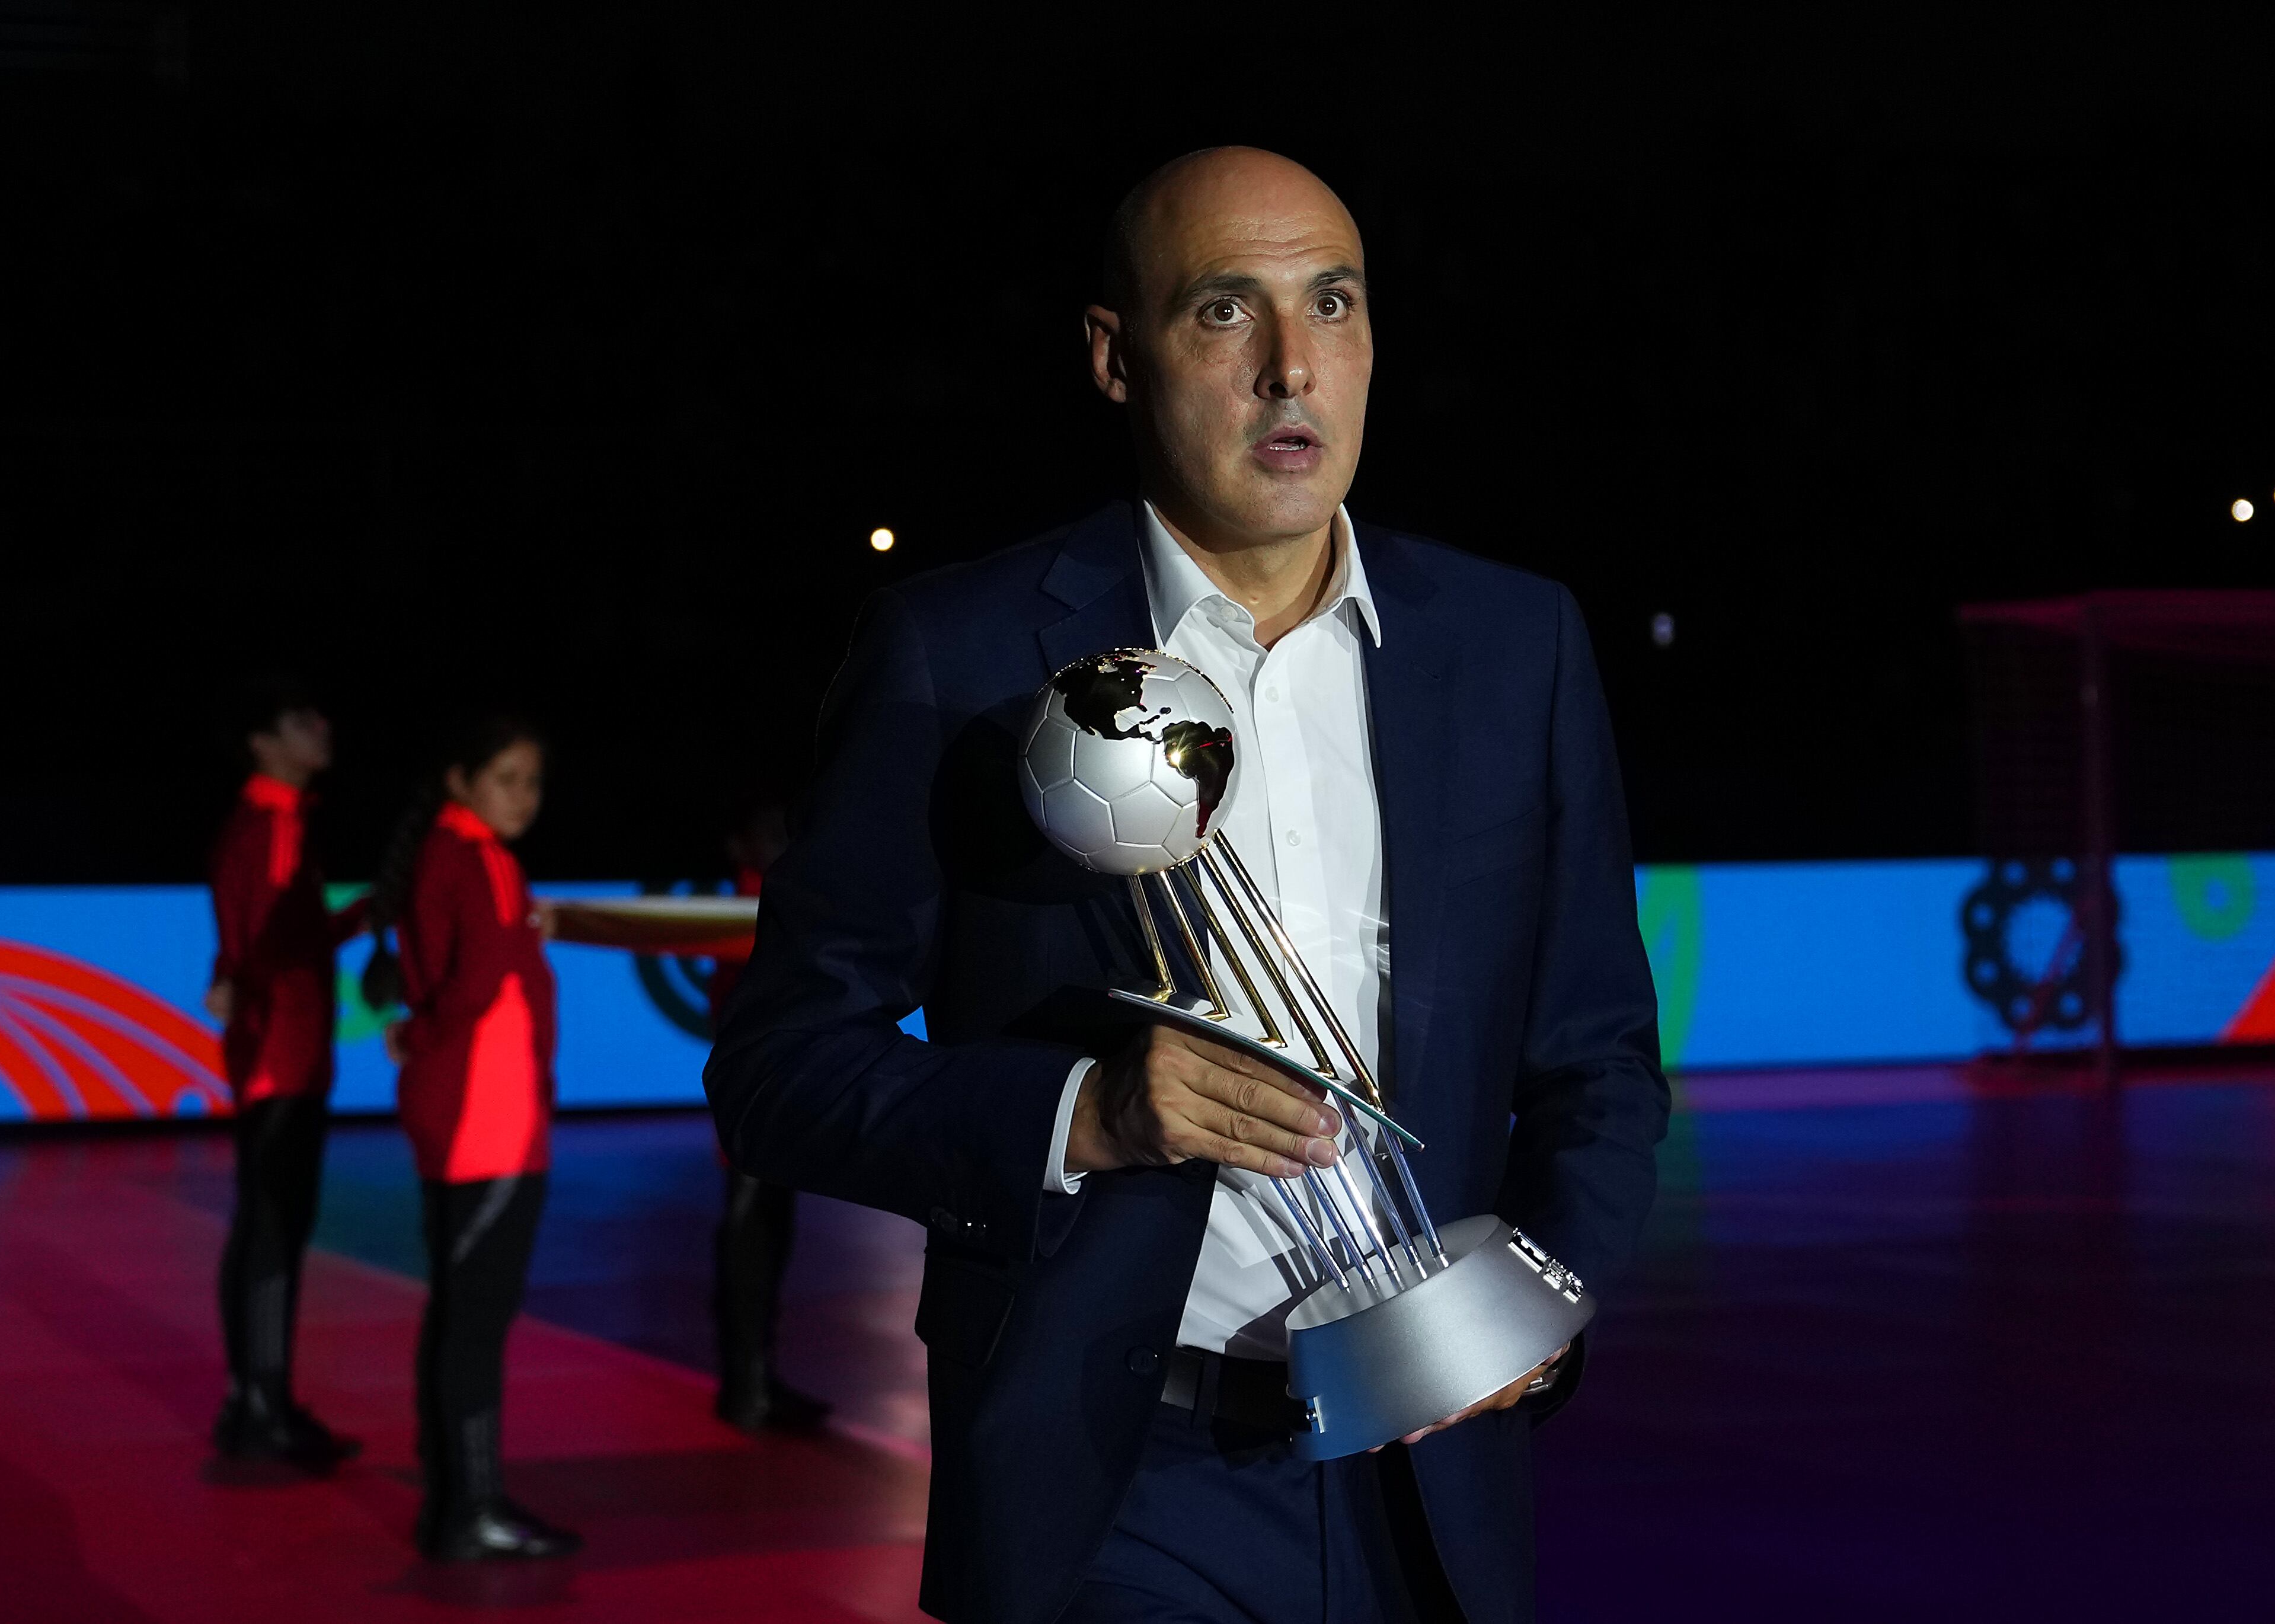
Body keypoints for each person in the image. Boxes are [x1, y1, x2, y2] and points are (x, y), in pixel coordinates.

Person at [707, 147, 1669, 1624]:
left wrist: (1542, 1300)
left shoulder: (1514, 645)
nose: (1294, 366)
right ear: (1114, 356)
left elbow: (1596, 1051)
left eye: (1332, 304)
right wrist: (1083, 1114)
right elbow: (778, 1066)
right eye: (1228, 312)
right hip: (1120, 1480)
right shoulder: (958, 659)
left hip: (1431, 1474)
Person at [362, 715, 581, 1563]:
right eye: (508, 779)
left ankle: (457, 1497)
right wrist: (420, 1039)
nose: (523, 798)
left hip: (475, 1119)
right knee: (476, 1321)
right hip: (483, 1126)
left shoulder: (461, 854)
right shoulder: (477, 858)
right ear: (461, 781)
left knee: (461, 1313)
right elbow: (476, 982)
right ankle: (471, 1507)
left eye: (532, 782)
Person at [206, 677, 368, 1468]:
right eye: (302, 720)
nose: (321, 727)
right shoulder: (273, 825)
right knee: (273, 1230)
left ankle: (256, 1400)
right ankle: (263, 1406)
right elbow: (271, 944)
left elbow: (257, 941)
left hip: (275, 1050)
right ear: (264, 743)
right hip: (283, 1056)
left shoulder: (266, 821)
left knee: (263, 1229)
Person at [707, 797, 832, 1433]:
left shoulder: (771, 901)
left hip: (771, 1103)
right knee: (751, 1240)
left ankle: (755, 1379)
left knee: (764, 1238)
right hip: (757, 1110)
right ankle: (748, 1386)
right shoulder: (752, 905)